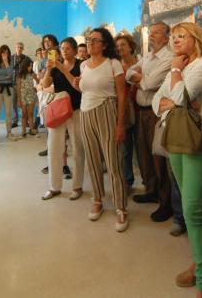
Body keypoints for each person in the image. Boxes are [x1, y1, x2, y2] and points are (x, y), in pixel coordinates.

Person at [152, 22, 202, 298]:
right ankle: (198, 262)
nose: (175, 40)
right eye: (173, 37)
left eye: (182, 36)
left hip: (201, 136)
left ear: (196, 39)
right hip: (177, 133)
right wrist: (176, 96)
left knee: (192, 209)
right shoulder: (179, 66)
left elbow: (178, 96)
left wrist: (175, 74)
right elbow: (157, 102)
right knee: (191, 207)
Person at [74, 27, 130, 231]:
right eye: (89, 39)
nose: (90, 43)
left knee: (113, 162)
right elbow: (85, 90)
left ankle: (121, 207)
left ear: (104, 45)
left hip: (107, 111)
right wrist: (76, 84)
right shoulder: (83, 65)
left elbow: (122, 96)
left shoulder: (113, 63)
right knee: (92, 160)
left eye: (95, 40)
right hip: (85, 113)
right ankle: (97, 199)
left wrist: (120, 124)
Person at [126, 21, 173, 222]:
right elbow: (129, 73)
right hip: (142, 112)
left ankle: (166, 202)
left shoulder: (169, 58)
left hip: (157, 113)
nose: (151, 36)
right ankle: (151, 190)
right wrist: (142, 77)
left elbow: (150, 83)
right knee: (144, 153)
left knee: (158, 157)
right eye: (150, 32)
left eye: (157, 33)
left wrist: (141, 78)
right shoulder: (147, 56)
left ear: (167, 37)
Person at [40, 37, 86, 201]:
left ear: (74, 50)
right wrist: (49, 69)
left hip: (75, 109)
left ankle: (77, 186)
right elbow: (45, 85)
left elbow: (79, 86)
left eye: (68, 48)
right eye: (62, 48)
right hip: (58, 110)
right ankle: (54, 187)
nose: (64, 51)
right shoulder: (55, 66)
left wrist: (62, 68)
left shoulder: (81, 65)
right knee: (53, 147)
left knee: (78, 149)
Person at [115, 33, 140, 191]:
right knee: (125, 149)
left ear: (131, 46)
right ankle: (127, 180)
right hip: (125, 111)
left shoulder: (141, 63)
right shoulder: (116, 66)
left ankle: (150, 183)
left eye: (123, 44)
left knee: (143, 150)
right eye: (117, 46)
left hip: (142, 109)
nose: (120, 48)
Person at [0, 44, 16, 143]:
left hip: (8, 89)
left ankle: (9, 132)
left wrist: (6, 63)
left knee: (8, 112)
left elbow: (11, 75)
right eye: (3, 52)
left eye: (7, 53)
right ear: (0, 53)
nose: (5, 54)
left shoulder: (10, 62)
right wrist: (5, 77)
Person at [17, 58, 39, 137]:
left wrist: (36, 88)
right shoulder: (20, 75)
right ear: (25, 66)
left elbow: (38, 81)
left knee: (30, 113)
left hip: (31, 95)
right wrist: (19, 99)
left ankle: (31, 129)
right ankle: (23, 131)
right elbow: (18, 88)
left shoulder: (32, 74)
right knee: (24, 114)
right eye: (29, 66)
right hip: (23, 96)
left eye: (31, 66)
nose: (31, 68)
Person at [11, 42, 30, 129]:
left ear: (23, 49)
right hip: (13, 83)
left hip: (23, 84)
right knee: (13, 103)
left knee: (24, 103)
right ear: (15, 48)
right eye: (18, 47)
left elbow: (30, 69)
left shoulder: (26, 58)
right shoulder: (11, 58)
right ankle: (15, 120)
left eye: (21, 47)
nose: (19, 49)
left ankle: (26, 121)